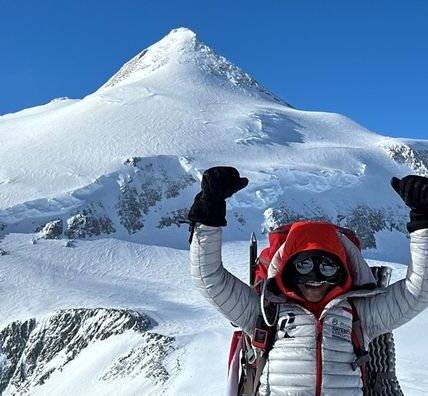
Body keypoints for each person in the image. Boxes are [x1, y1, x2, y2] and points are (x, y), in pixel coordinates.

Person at [188, 166, 428, 396]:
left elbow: (419, 291)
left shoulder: (360, 315)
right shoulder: (264, 311)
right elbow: (209, 277)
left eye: (327, 267)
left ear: (342, 271)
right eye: (303, 265)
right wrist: (209, 212)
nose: (315, 278)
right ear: (287, 269)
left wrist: (423, 221)